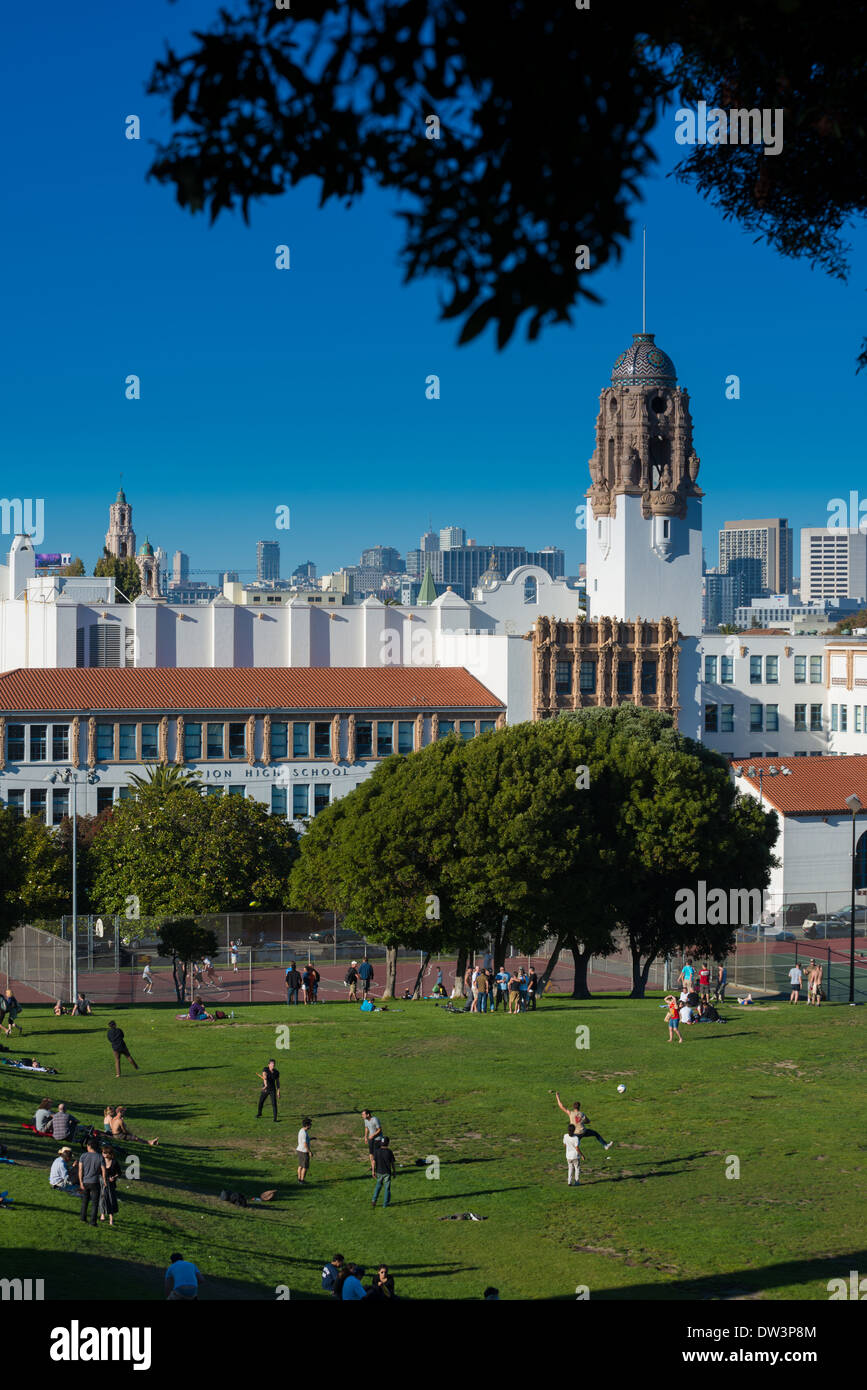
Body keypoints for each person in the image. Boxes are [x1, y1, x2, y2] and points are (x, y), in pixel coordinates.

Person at [78, 1138, 103, 1226]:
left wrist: (81, 1182)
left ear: (89, 1146)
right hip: (95, 1182)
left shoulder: (83, 1156)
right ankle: (93, 1222)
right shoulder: (100, 1157)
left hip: (85, 1181)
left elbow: (80, 1170)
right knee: (95, 1203)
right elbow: (103, 1170)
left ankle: (83, 1217)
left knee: (85, 1200)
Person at [371, 1135, 396, 1209]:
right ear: (388, 1143)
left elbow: (373, 1162)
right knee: (387, 1189)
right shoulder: (389, 1152)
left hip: (379, 1172)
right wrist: (394, 1171)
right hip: (387, 1173)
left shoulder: (377, 1151)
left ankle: (374, 1200)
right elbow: (392, 1163)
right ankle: (385, 1204)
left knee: (378, 1185)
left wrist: (373, 1171)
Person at [99, 1145, 120, 1226]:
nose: (103, 1154)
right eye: (102, 1152)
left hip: (110, 1183)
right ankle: (102, 1214)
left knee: (111, 1200)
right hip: (101, 1181)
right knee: (102, 1198)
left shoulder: (114, 1162)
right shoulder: (101, 1161)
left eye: (104, 1153)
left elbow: (119, 1173)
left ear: (109, 1154)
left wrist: (114, 1177)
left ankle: (111, 1219)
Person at [361, 1109, 382, 1176]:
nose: (362, 1116)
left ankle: (376, 1168)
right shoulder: (365, 1120)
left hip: (377, 1139)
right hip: (371, 1138)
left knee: (376, 1154)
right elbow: (366, 1128)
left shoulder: (375, 1119)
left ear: (368, 1114)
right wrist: (365, 1137)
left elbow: (379, 1130)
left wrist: (373, 1135)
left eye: (363, 1114)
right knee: (371, 1153)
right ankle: (372, 1167)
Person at [297, 1117, 312, 1183]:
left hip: (299, 1150)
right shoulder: (304, 1133)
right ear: (307, 1125)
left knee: (300, 1166)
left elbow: (305, 1140)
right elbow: (305, 1143)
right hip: (303, 1151)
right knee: (305, 1167)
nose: (311, 1125)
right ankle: (302, 1180)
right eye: (310, 1124)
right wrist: (309, 1152)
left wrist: (311, 1138)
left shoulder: (301, 1130)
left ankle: (299, 1179)